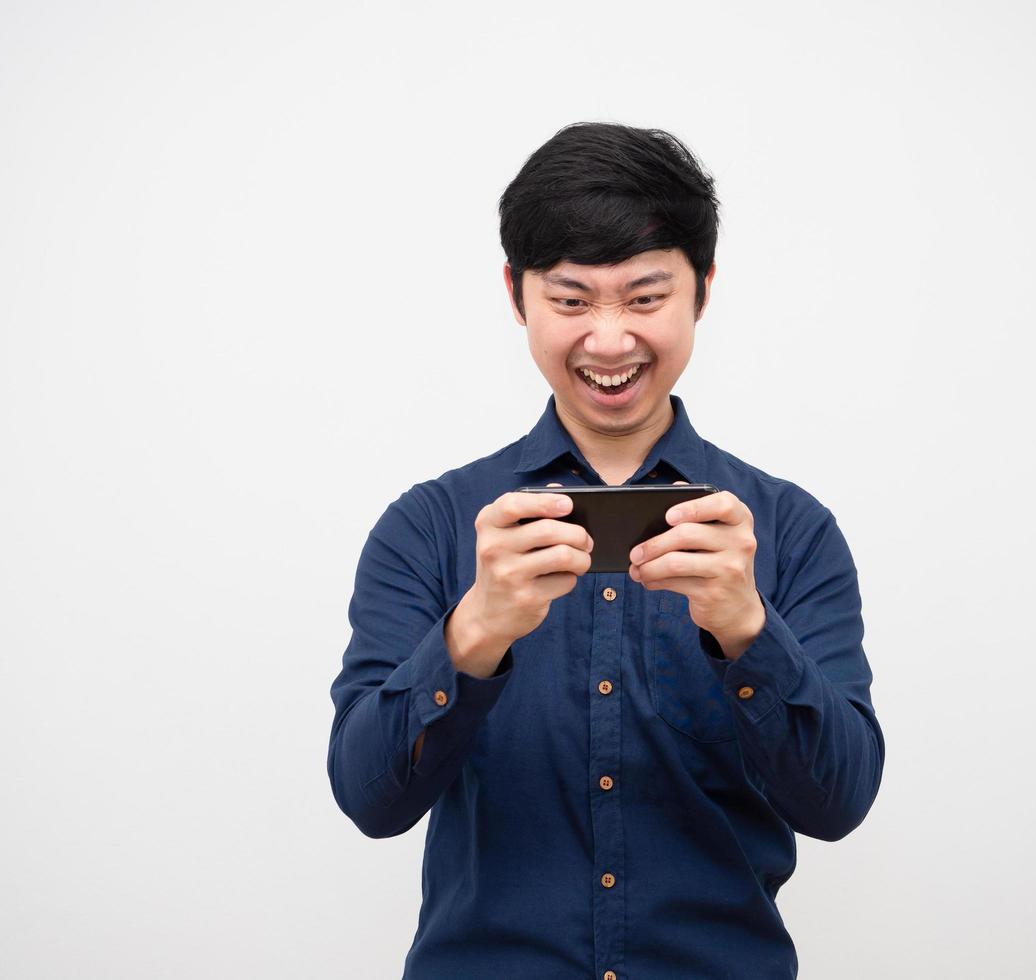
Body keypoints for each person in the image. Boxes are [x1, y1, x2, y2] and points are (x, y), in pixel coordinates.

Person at [326, 121, 885, 980]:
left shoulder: (789, 530)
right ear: (517, 295)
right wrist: (471, 636)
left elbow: (838, 803)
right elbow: (368, 800)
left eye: (645, 296)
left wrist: (746, 630)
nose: (610, 340)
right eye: (572, 299)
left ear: (700, 290)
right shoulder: (432, 526)